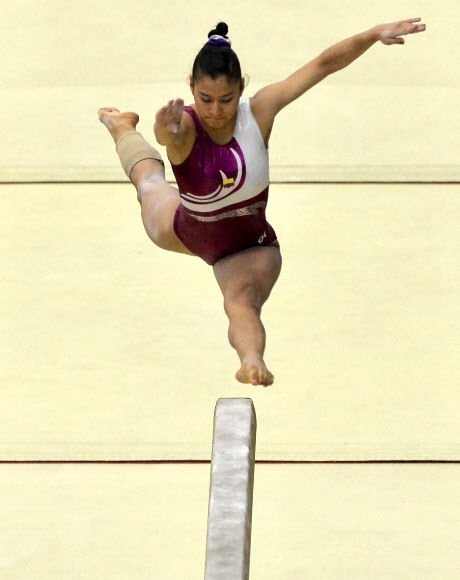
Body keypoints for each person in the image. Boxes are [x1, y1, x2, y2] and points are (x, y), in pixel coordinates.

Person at [98, 18, 426, 387]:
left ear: (241, 87)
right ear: (191, 88)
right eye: (205, 99)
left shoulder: (259, 113)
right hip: (184, 229)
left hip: (248, 249)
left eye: (227, 99)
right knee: (148, 182)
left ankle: (252, 360)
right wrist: (162, 129)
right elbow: (166, 137)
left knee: (242, 302)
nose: (217, 110)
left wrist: (369, 36)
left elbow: (322, 65)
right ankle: (122, 126)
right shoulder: (184, 125)